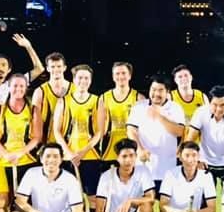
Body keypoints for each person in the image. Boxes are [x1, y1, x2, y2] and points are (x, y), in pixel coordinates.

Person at [156, 141, 218, 212]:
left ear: (198, 157)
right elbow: (162, 204)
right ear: (180, 157)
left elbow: (212, 208)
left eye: (194, 155)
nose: (190, 159)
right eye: (187, 155)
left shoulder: (206, 176)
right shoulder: (170, 174)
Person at [53, 64, 103, 200]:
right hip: (68, 157)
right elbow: (56, 131)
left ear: (90, 80)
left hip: (90, 156)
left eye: (86, 78)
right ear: (74, 80)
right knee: (68, 197)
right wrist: (69, 152)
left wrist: (82, 152)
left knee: (92, 198)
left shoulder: (97, 101)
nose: (83, 81)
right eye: (80, 78)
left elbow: (99, 132)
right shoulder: (63, 101)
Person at [126, 75, 186, 188]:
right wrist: (140, 149)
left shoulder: (175, 108)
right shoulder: (139, 107)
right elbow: (131, 130)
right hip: (143, 166)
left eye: (160, 90)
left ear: (167, 92)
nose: (156, 93)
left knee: (165, 198)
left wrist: (159, 117)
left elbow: (179, 131)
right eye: (153, 89)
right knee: (143, 198)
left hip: (167, 167)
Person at [0, 73, 41, 195]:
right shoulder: (0, 110)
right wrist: (7, 155)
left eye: (22, 86)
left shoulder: (33, 110)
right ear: (9, 87)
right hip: (4, 161)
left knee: (25, 199)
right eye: (15, 85)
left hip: (27, 160)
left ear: (26, 87)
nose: (18, 89)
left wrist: (20, 153)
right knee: (5, 198)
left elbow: (37, 137)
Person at [184, 85, 224, 183]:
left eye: (222, 105)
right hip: (204, 162)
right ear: (209, 103)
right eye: (215, 105)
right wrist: (196, 162)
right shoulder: (201, 112)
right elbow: (190, 139)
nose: (218, 109)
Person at [98, 61, 145, 167]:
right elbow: (100, 128)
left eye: (123, 73)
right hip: (109, 147)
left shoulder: (139, 98)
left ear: (130, 75)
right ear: (113, 77)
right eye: (117, 74)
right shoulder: (104, 98)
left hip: (132, 147)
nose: (120, 76)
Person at [31, 52, 74, 149]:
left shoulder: (75, 89)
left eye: (59, 66)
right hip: (47, 145)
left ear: (64, 68)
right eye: (53, 67)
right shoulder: (40, 92)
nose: (56, 69)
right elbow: (35, 121)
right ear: (48, 68)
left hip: (71, 144)